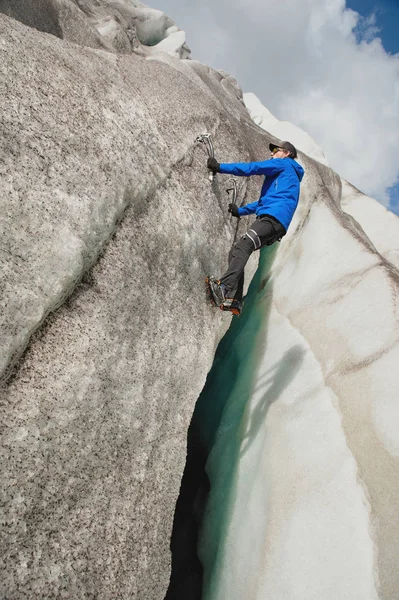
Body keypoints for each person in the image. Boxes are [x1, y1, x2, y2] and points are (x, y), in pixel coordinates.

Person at [206, 141, 305, 315]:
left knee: (244, 246)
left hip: (272, 219)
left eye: (276, 150)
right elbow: (264, 202)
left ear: (287, 153)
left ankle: (224, 288)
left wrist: (219, 167)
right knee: (237, 250)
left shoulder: (283, 164)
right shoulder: (289, 177)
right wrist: (240, 211)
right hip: (275, 223)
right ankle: (233, 300)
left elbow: (252, 168)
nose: (272, 153)